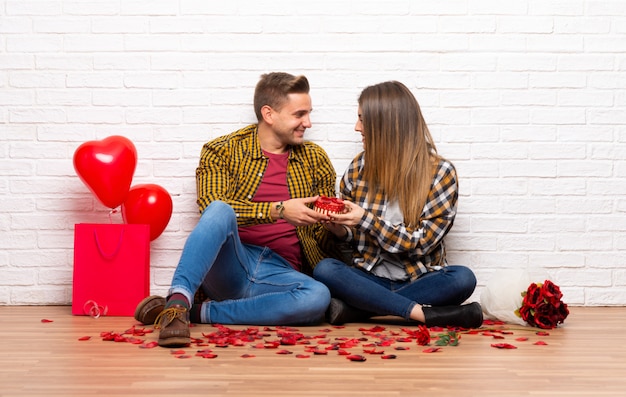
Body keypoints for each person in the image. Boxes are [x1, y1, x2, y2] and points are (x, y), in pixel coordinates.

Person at [134, 72, 339, 347]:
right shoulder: (222, 150)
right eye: (299, 114)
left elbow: (323, 242)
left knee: (318, 296)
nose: (308, 123)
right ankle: (178, 302)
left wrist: (335, 228)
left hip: (280, 274)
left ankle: (194, 313)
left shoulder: (315, 159)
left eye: (309, 113)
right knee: (220, 209)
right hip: (232, 264)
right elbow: (210, 209)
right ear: (269, 114)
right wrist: (278, 210)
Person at [313, 81, 483, 329]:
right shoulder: (357, 170)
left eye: (362, 120)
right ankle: (421, 314)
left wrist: (365, 219)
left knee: (463, 279)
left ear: (385, 125)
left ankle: (362, 310)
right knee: (325, 269)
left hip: (420, 279)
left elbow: (421, 244)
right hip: (369, 278)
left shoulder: (441, 173)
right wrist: (338, 228)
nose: (356, 127)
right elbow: (353, 239)